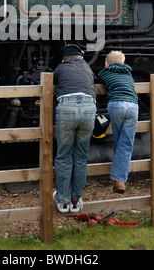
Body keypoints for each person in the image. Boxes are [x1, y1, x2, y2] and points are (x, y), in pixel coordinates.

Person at [53, 44, 96, 213]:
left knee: (64, 155)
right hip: (88, 107)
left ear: (64, 59)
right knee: (81, 156)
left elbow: (57, 80)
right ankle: (76, 199)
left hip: (67, 108)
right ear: (81, 58)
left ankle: (63, 201)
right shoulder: (87, 67)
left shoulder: (60, 67)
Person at [97, 51, 138, 194]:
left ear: (106, 64)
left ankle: (119, 180)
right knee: (126, 144)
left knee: (119, 141)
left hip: (116, 106)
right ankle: (119, 180)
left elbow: (99, 78)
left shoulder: (105, 72)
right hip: (133, 106)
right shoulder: (128, 73)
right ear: (124, 63)